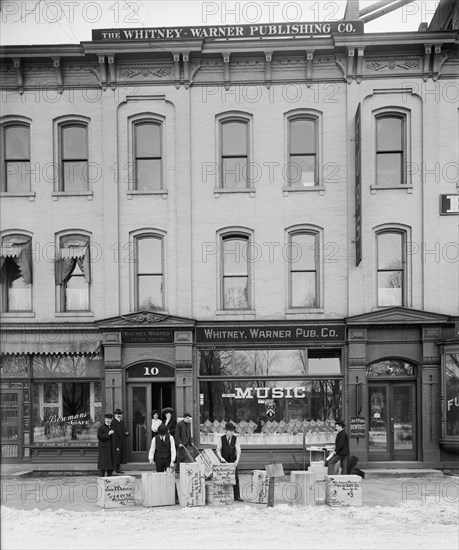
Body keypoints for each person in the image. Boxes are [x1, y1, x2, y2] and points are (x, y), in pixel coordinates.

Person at [216, 422, 244, 502]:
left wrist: (237, 461)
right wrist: (221, 458)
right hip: (224, 460)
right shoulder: (221, 438)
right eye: (230, 431)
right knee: (223, 478)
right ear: (226, 431)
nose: (232, 432)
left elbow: (238, 451)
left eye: (233, 431)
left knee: (235, 478)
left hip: (232, 460)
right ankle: (223, 496)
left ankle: (237, 496)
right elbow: (218, 450)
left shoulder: (235, 438)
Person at [111, 408, 129, 474]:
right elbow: (114, 433)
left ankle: (118, 469)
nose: (119, 415)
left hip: (122, 440)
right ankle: (114, 470)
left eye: (120, 414)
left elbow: (124, 430)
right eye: (117, 414)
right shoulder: (113, 422)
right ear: (115, 415)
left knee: (121, 455)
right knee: (116, 455)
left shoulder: (122, 422)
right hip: (117, 440)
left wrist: (126, 433)